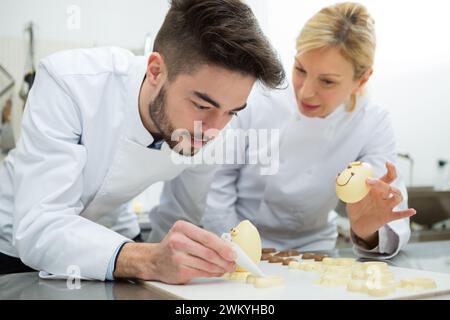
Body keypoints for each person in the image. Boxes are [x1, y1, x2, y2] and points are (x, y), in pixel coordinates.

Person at [0, 0, 285, 283]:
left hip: (110, 233)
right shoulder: (71, 83)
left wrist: (167, 265)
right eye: (201, 105)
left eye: (232, 112)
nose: (213, 130)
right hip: (13, 241)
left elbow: (180, 218)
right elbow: (39, 224)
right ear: (156, 70)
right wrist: (149, 260)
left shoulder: (216, 127)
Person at [150, 2, 415, 259]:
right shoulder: (257, 100)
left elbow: (384, 205)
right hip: (237, 242)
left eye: (327, 81)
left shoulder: (372, 123)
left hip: (316, 249)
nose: (306, 91)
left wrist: (368, 231)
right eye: (300, 70)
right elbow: (218, 183)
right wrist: (235, 250)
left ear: (363, 78)